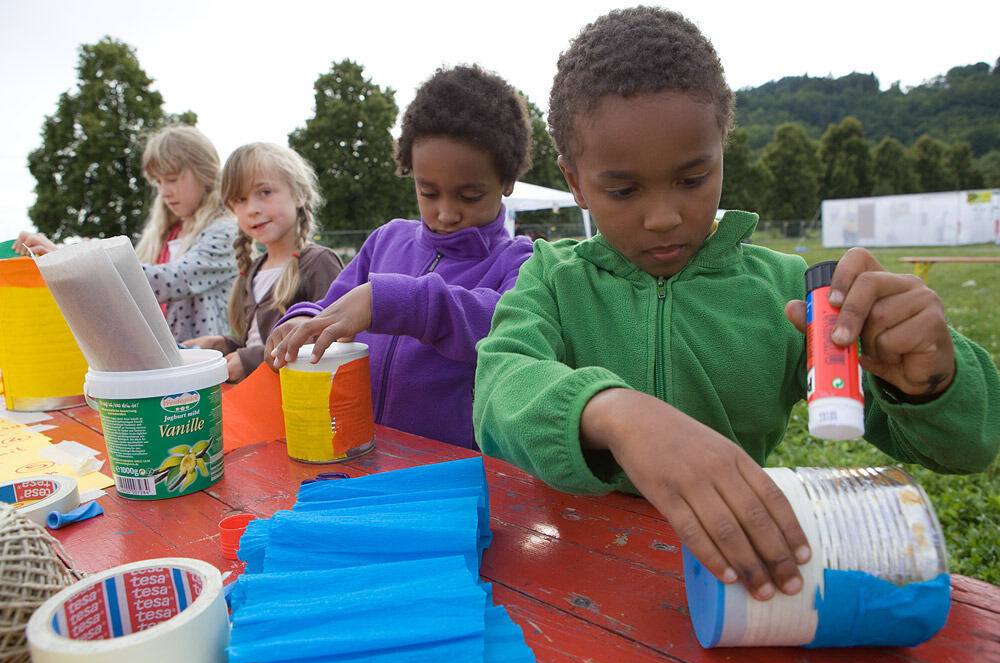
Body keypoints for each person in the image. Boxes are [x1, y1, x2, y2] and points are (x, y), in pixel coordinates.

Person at [473, 6, 1000, 604]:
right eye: (623, 190)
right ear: (575, 181)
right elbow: (499, 387)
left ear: (721, 150)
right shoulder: (551, 277)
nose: (663, 216)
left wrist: (931, 380)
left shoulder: (795, 295)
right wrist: (614, 414)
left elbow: (968, 447)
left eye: (692, 179)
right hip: (571, 574)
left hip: (732, 577)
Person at [266, 64, 535, 450]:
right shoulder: (386, 241)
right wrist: (304, 321)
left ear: (507, 182)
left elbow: (495, 323)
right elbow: (330, 308)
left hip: (448, 467)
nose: (446, 213)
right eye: (428, 192)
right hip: (357, 453)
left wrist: (390, 301)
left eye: (469, 196)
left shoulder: (519, 263)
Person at [16, 125, 238, 342]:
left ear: (204, 174)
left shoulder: (225, 232)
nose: (164, 191)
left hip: (203, 361)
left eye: (171, 179)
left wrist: (74, 257)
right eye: (158, 182)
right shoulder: (165, 235)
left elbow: (169, 280)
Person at [182, 143, 344, 383]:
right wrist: (222, 345)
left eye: (265, 192)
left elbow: (328, 340)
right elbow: (254, 341)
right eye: (240, 199)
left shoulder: (319, 262)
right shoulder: (253, 270)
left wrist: (249, 360)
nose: (252, 209)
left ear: (299, 194)